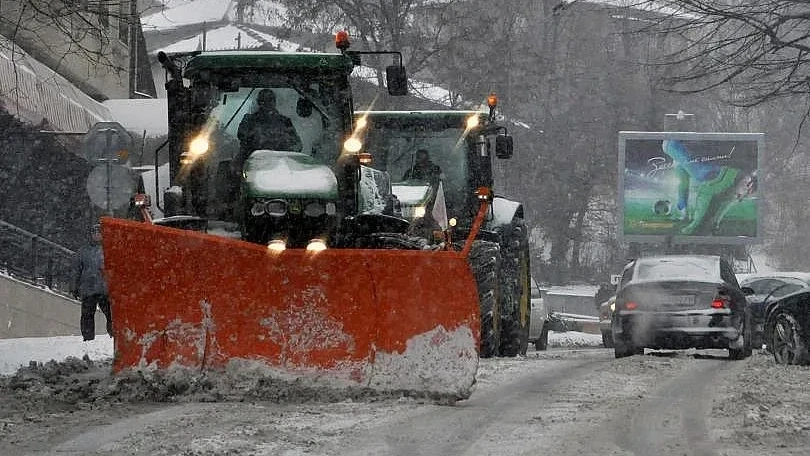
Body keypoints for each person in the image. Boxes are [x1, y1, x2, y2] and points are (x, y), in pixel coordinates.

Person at [662, 139, 744, 235]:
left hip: (672, 145)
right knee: (697, 175)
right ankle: (684, 210)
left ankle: (683, 210)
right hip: (674, 144)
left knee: (687, 179)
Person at [237, 89, 302, 164]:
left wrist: (283, 148)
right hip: (253, 165)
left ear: (275, 102)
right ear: (258, 102)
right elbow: (243, 138)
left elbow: (297, 145)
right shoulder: (249, 120)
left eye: (270, 100)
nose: (267, 103)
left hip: (281, 165)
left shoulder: (285, 122)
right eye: (263, 100)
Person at [72, 224, 112, 341]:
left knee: (111, 314)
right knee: (87, 315)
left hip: (105, 289)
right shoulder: (83, 251)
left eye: (99, 233)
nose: (96, 235)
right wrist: (74, 287)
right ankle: (88, 338)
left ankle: (113, 334)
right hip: (88, 289)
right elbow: (76, 270)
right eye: (94, 233)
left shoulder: (109, 249)